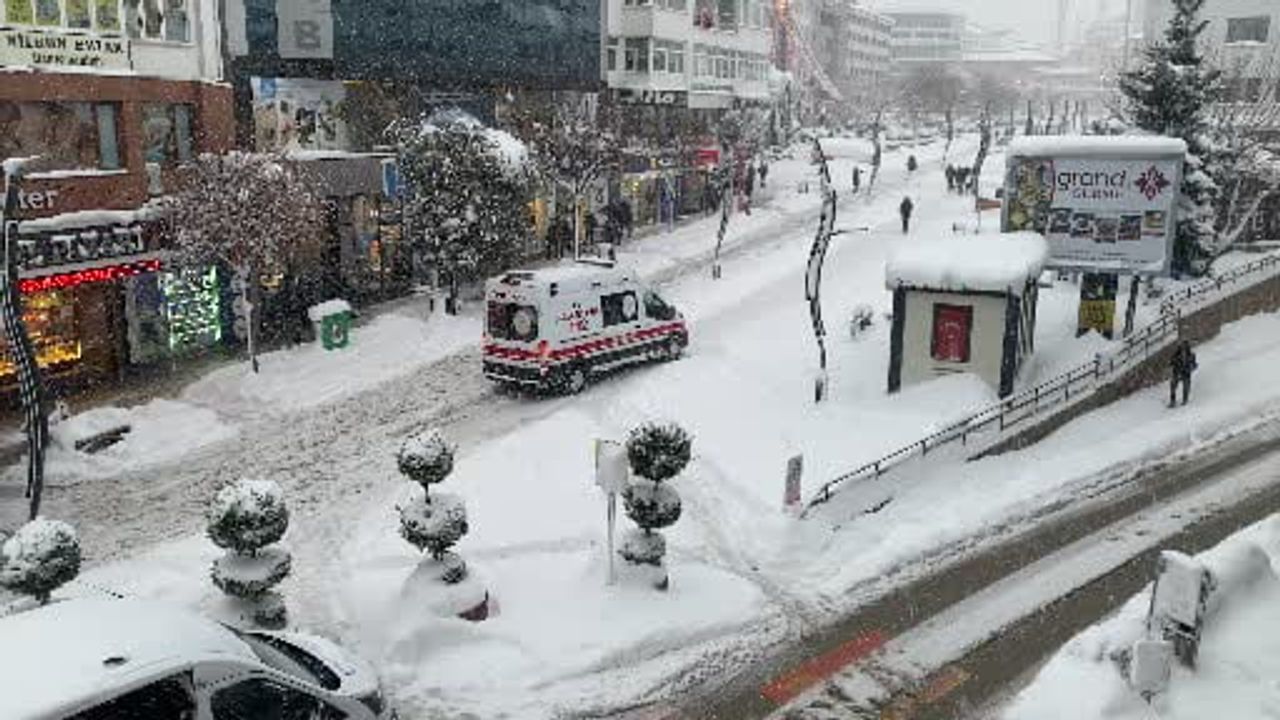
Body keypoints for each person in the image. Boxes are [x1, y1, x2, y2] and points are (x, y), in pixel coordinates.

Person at [1169, 339, 1197, 407]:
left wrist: (1191, 367)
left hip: (1186, 373)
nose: (1183, 347)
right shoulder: (1176, 354)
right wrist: (1174, 362)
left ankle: (1185, 399)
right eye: (1182, 346)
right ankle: (1173, 401)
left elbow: (1194, 364)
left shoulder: (1191, 355)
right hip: (1177, 372)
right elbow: (1171, 362)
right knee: (1173, 385)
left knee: (1186, 386)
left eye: (1185, 346)